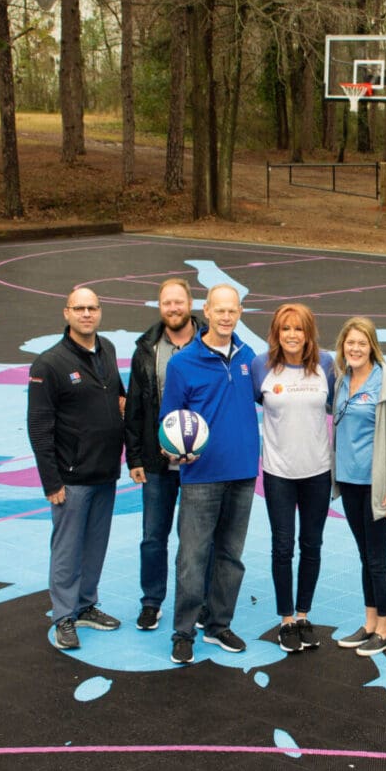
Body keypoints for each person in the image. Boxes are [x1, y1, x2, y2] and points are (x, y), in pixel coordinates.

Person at [159, 284, 260, 665]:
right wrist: (171, 447)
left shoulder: (248, 357)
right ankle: (183, 631)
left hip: (243, 473)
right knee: (192, 557)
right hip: (201, 476)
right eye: (219, 310)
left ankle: (218, 624)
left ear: (240, 312)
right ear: (207, 310)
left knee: (231, 556)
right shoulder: (183, 363)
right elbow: (168, 420)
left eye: (232, 310)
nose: (225, 316)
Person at [26, 285, 125, 649]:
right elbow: (38, 426)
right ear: (66, 313)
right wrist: (51, 480)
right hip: (70, 478)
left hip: (105, 471)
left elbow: (116, 396)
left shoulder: (108, 350)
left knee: (96, 545)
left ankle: (86, 605)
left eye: (92, 308)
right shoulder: (49, 364)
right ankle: (63, 616)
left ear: (100, 312)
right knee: (67, 550)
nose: (87, 314)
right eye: (79, 308)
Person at [250, 303, 336, 652]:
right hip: (279, 474)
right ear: (276, 332)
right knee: (282, 547)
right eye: (285, 329)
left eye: (298, 329)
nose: (292, 335)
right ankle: (286, 620)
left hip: (317, 472)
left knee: (311, 546)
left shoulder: (326, 366)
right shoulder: (262, 366)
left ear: (308, 333)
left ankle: (303, 615)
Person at [124, 278, 205, 632]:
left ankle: (198, 602)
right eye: (166, 303)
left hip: (201, 463)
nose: (173, 308)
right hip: (158, 464)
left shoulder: (211, 343)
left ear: (190, 303)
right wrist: (135, 457)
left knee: (199, 538)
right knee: (154, 536)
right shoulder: (146, 348)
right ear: (160, 307)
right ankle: (151, 602)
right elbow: (135, 407)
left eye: (179, 302)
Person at [331, 317, 386, 657]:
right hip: (349, 483)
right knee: (365, 556)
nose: (355, 348)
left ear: (372, 347)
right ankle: (368, 625)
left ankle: (385, 629)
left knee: (377, 558)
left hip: (378, 485)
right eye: (350, 343)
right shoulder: (342, 381)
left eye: (362, 343)